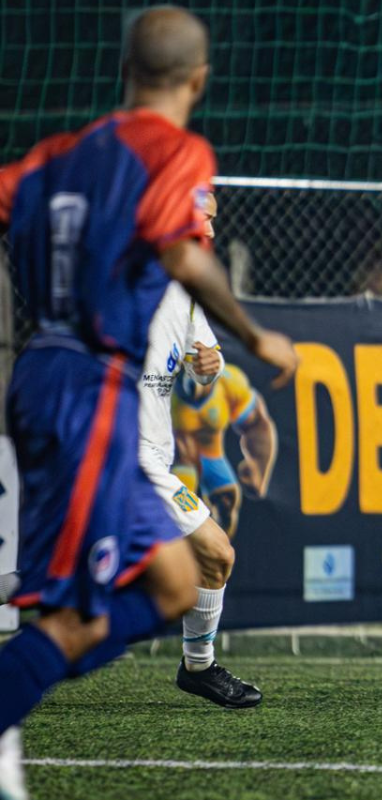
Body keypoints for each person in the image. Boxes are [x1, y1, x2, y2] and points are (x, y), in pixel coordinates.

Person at [0, 8, 297, 796]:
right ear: (198, 80)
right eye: (205, 203)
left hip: (43, 376)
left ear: (124, 72)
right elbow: (180, 255)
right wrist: (257, 335)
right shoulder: (170, 157)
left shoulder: (59, 157)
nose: (206, 210)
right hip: (91, 398)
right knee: (89, 604)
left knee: (165, 582)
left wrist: (208, 348)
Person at [140, 191, 261, 708]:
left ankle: (198, 668)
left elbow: (201, 361)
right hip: (118, 458)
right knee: (217, 552)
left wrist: (208, 367)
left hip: (150, 457)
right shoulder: (121, 274)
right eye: (203, 220)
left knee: (61, 576)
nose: (211, 233)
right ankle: (200, 667)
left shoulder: (188, 284)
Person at [171, 362, 277, 539]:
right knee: (183, 516)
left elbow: (256, 423)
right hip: (178, 465)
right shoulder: (158, 387)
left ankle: (214, 553)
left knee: (226, 505)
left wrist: (259, 467)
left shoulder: (228, 382)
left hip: (211, 456)